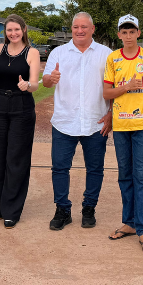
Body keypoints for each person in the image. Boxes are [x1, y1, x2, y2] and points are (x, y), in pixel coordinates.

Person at [42, 12, 113, 230]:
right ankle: (63, 209)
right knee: (60, 168)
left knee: (95, 169)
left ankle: (89, 208)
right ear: (71, 29)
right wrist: (49, 79)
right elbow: (45, 81)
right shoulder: (58, 53)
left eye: (84, 27)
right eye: (75, 27)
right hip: (65, 122)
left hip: (96, 121)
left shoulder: (106, 54)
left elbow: (114, 88)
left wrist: (111, 115)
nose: (79, 30)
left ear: (93, 29)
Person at [104, 14, 143, 254]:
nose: (128, 35)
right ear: (119, 34)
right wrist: (126, 87)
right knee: (124, 176)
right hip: (121, 127)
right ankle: (128, 222)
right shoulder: (113, 58)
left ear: (139, 33)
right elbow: (106, 93)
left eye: (132, 31)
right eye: (124, 31)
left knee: (141, 177)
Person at [0, 13, 41, 228]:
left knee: (16, 158)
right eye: (9, 30)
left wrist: (27, 85)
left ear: (24, 30)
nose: (13, 33)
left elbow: (36, 83)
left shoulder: (32, 53)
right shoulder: (0, 49)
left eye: (17, 30)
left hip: (21, 105)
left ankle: (12, 209)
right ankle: (0, 205)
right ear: (6, 32)